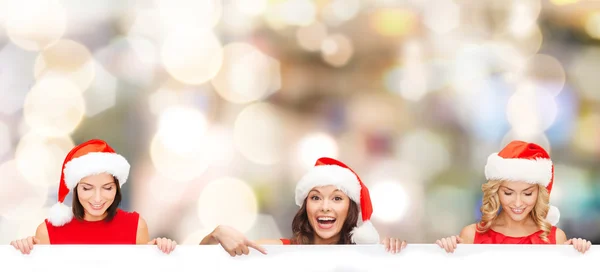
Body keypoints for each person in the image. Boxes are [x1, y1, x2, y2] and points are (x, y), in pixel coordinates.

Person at [200, 157, 407, 256]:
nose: (325, 207)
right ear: (305, 206)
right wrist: (215, 235)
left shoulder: (369, 256)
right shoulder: (274, 250)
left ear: (350, 210)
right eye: (316, 198)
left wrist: (437, 251)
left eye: (336, 198)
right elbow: (199, 264)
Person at [10, 139, 177, 254]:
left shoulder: (136, 227)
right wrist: (21, 252)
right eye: (87, 188)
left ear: (117, 188)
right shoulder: (48, 232)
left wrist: (161, 251)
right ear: (75, 189)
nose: (97, 198)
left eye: (107, 188)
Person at [436, 140, 592, 253]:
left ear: (539, 193)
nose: (518, 203)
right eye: (508, 193)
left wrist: (578, 254)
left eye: (527, 193)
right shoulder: (471, 235)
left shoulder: (555, 238)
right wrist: (445, 253)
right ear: (496, 191)